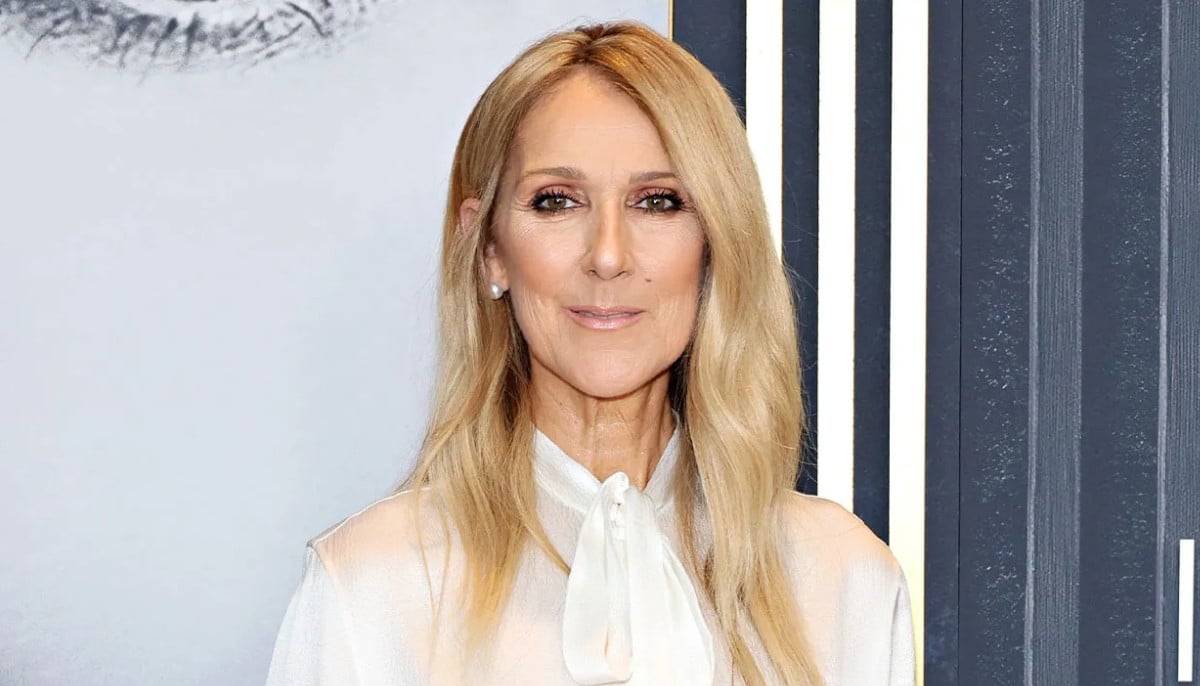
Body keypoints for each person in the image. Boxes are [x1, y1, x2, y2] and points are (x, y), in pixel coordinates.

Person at [264, 20, 914, 686]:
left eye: (657, 202)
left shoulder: (844, 582)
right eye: (557, 201)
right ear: (488, 249)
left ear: (716, 243)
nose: (607, 255)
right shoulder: (370, 588)